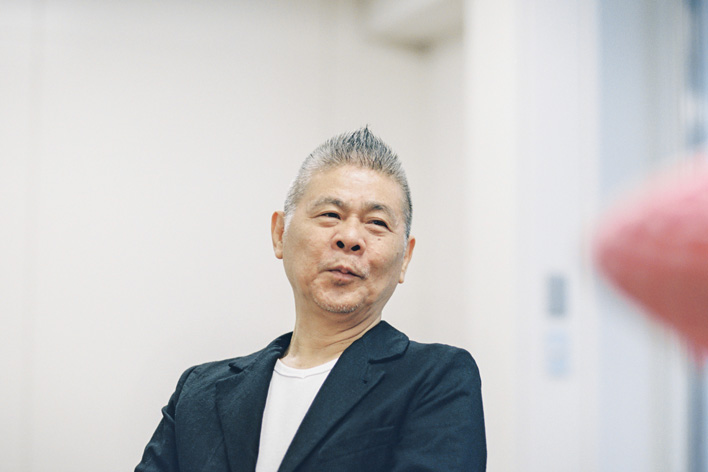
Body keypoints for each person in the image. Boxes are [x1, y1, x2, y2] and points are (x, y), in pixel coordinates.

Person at [135, 127, 487, 472]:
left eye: (377, 222)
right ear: (280, 233)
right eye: (331, 214)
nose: (350, 237)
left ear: (405, 258)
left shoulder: (437, 378)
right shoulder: (199, 392)